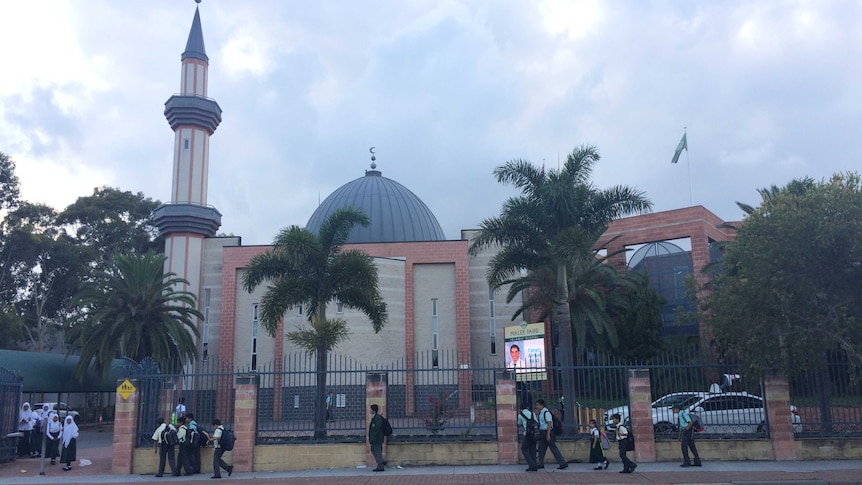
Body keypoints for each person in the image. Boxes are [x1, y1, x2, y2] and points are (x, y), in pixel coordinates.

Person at [535, 399, 567, 470]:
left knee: (553, 448)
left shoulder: (546, 413)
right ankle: (541, 463)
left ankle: (562, 463)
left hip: (547, 431)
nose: (537, 406)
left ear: (542, 405)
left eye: (538, 405)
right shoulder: (541, 413)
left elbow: (549, 423)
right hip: (543, 432)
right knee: (541, 448)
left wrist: (548, 434)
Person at [517, 402, 539, 472]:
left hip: (527, 434)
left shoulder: (520, 415)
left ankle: (531, 464)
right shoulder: (533, 413)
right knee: (533, 449)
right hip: (534, 434)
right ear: (528, 407)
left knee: (524, 449)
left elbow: (519, 423)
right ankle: (534, 465)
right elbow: (536, 422)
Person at [368, 404, 386, 472]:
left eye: (371, 409)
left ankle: (380, 464)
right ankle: (382, 461)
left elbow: (377, 429)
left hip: (377, 438)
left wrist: (373, 437)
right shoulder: (375, 417)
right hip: (375, 438)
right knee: (373, 449)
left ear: (373, 410)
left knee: (377, 451)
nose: (370, 410)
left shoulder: (377, 418)